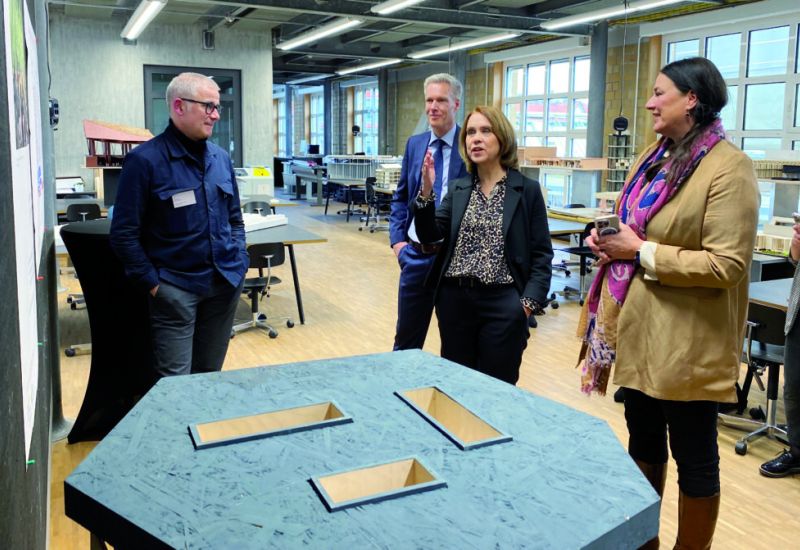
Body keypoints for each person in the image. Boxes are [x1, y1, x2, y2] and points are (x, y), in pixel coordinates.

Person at [578, 57, 759, 549]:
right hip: (638, 331)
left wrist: (639, 251)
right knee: (643, 441)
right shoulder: (653, 157)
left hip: (688, 345)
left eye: (660, 93)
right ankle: (645, 541)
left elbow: (726, 265)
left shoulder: (730, 168)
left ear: (692, 99)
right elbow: (629, 224)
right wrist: (607, 239)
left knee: (694, 457)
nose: (649, 103)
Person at [110, 72, 248, 378]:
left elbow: (234, 218)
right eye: (208, 106)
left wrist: (240, 259)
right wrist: (155, 285)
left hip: (224, 283)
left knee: (209, 374)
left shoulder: (221, 159)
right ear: (178, 106)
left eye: (217, 107)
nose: (215, 115)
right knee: (175, 382)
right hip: (176, 289)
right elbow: (123, 235)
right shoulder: (144, 161)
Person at [413, 106, 553, 384]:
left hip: (503, 303)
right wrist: (426, 192)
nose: (475, 138)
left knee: (497, 386)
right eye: (470, 133)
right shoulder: (459, 188)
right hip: (455, 301)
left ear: (502, 137)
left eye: (485, 131)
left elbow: (541, 254)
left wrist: (525, 306)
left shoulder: (526, 190)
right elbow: (429, 235)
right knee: (456, 385)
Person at [389, 73, 468, 350]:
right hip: (415, 256)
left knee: (456, 346)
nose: (433, 107)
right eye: (429, 100)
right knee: (405, 344)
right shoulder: (415, 144)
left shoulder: (469, 146)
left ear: (456, 104)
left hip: (453, 262)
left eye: (441, 100)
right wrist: (398, 242)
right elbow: (401, 196)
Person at [759, 223, 800, 478]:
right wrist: (796, 248)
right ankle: (797, 452)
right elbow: (795, 263)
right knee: (794, 387)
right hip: (798, 313)